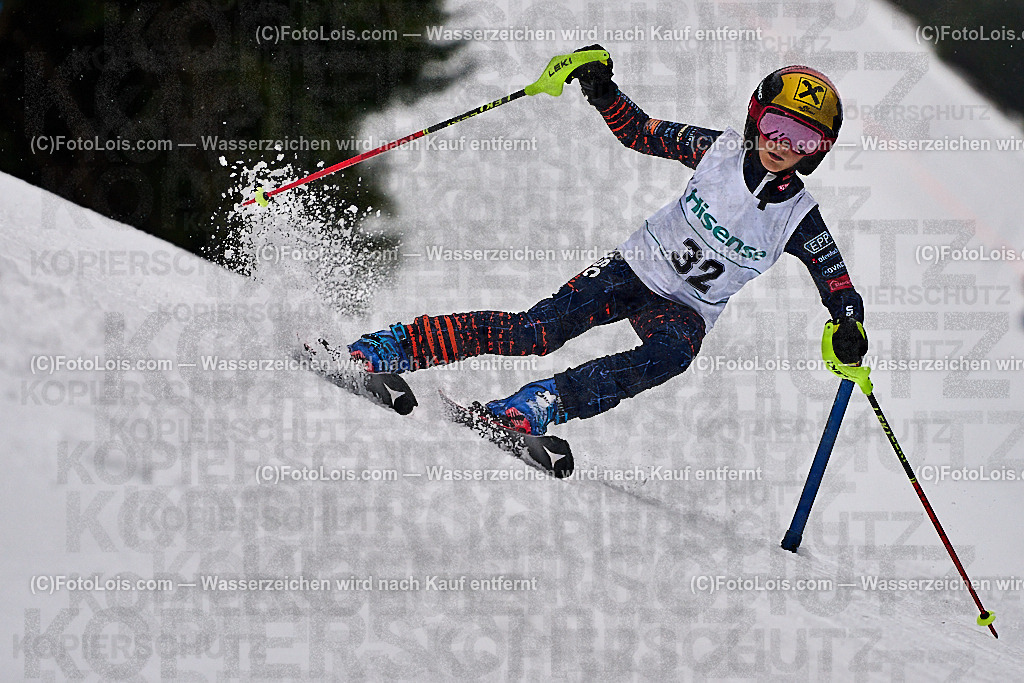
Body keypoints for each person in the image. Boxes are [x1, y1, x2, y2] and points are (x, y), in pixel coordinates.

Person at [347, 46, 869, 436]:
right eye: (778, 125)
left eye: (804, 139)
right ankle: (388, 348)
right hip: (633, 270)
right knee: (538, 331)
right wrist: (603, 92)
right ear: (757, 119)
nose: (784, 144)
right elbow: (639, 131)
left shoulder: (799, 218)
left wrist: (848, 323)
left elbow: (838, 283)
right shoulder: (718, 153)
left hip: (686, 309)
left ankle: (537, 406)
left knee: (672, 355)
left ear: (816, 152)